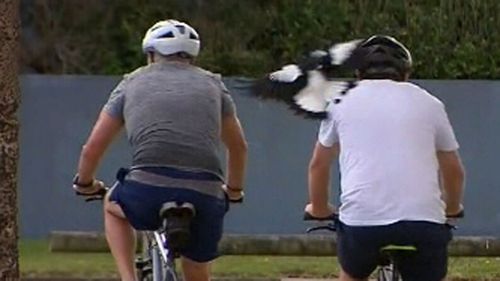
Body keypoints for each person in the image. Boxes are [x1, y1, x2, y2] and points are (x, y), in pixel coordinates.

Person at [72, 19, 248, 281]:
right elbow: (238, 147)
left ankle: (127, 278)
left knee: (112, 205)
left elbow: (92, 148)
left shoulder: (131, 83)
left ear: (151, 54)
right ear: (190, 55)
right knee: (197, 269)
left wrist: (85, 182)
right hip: (205, 193)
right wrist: (233, 191)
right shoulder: (214, 85)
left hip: (146, 189)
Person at [304, 35, 465, 281]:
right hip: (422, 223)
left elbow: (318, 165)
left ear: (359, 73)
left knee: (351, 275)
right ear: (405, 73)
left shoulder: (339, 101)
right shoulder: (430, 103)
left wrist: (318, 208)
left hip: (362, 223)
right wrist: (451, 209)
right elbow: (453, 170)